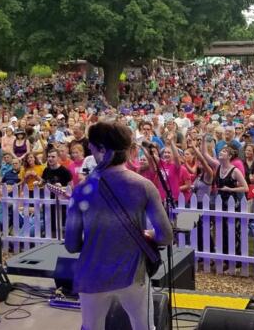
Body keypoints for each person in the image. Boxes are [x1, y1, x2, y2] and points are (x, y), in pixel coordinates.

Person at [65, 121, 173, 330]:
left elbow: (72, 245)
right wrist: (148, 234)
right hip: (133, 274)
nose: (91, 153)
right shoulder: (143, 186)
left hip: (92, 274)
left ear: (102, 150)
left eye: (92, 148)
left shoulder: (81, 190)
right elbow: (166, 236)